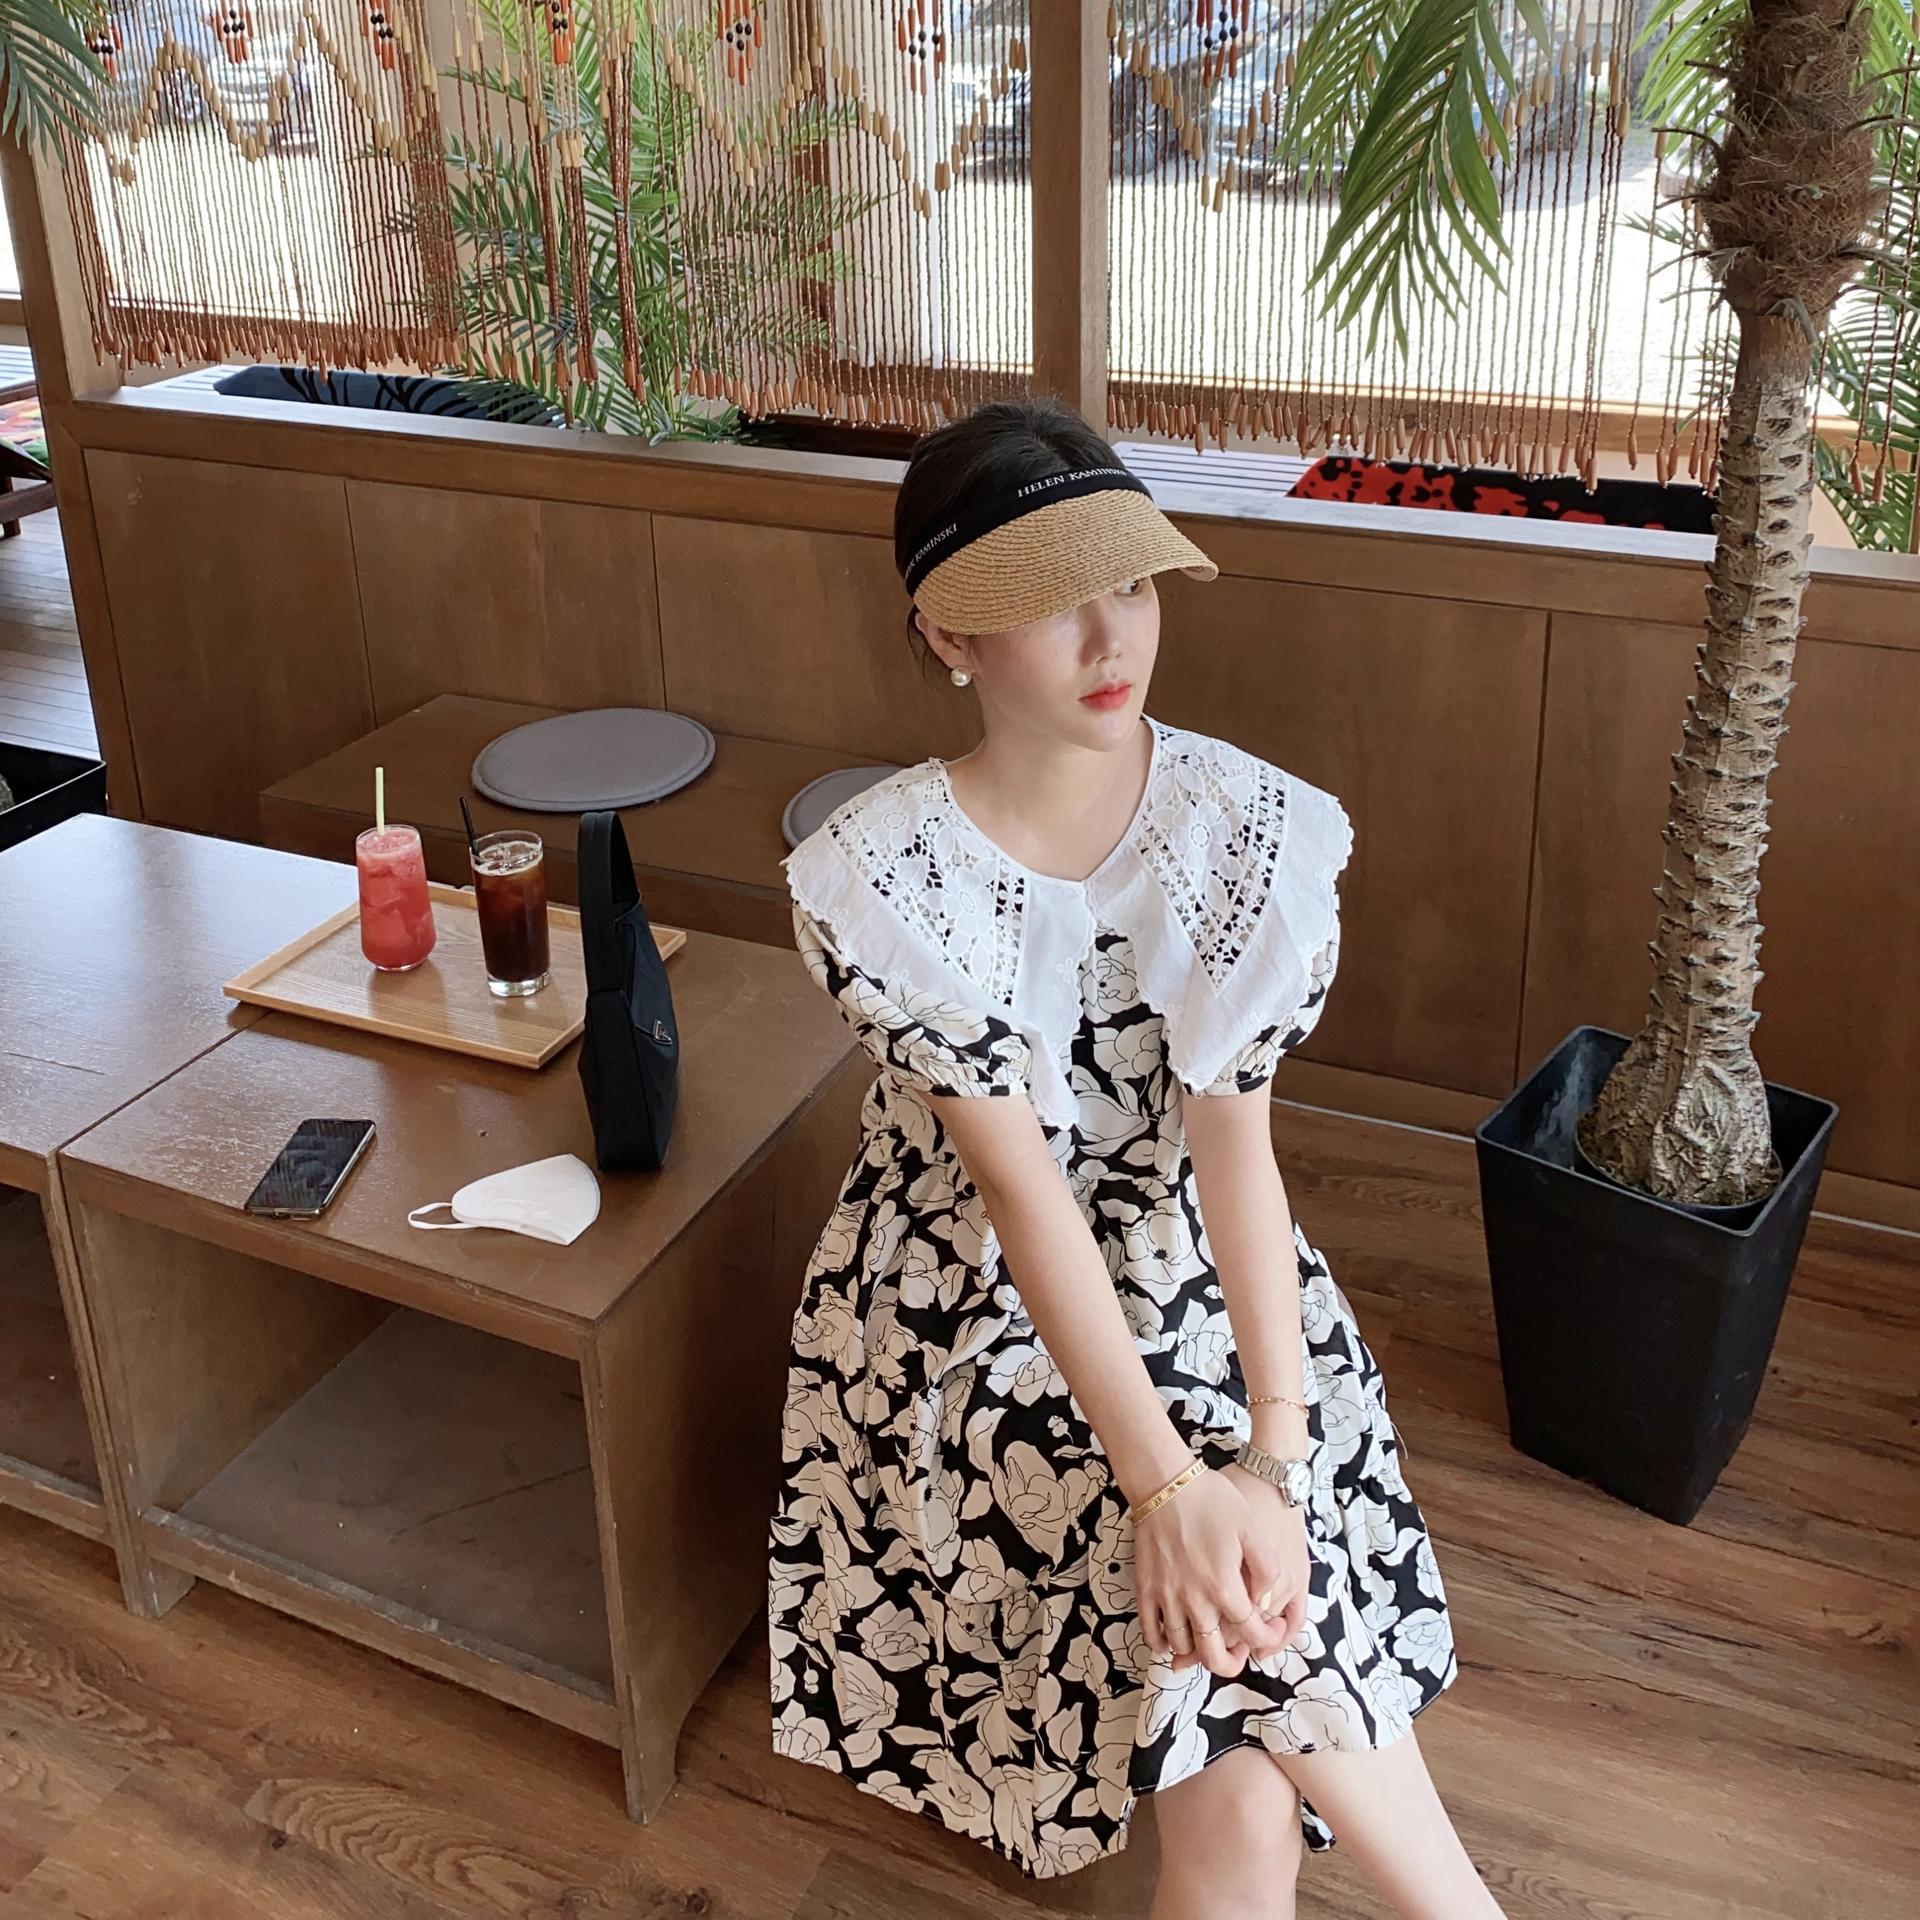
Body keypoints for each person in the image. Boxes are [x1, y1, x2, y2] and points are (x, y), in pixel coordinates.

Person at [768, 399, 1500, 1919]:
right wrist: (1167, 1487)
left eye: (1133, 582)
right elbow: (1020, 1196)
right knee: (1225, 1674)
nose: (1115, 638)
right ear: (948, 635)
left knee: (1237, 1748)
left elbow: (1237, 1159)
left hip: (1194, 1261)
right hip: (969, 1305)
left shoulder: (1246, 829)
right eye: (1051, 602)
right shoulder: (883, 875)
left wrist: (1274, 1458)